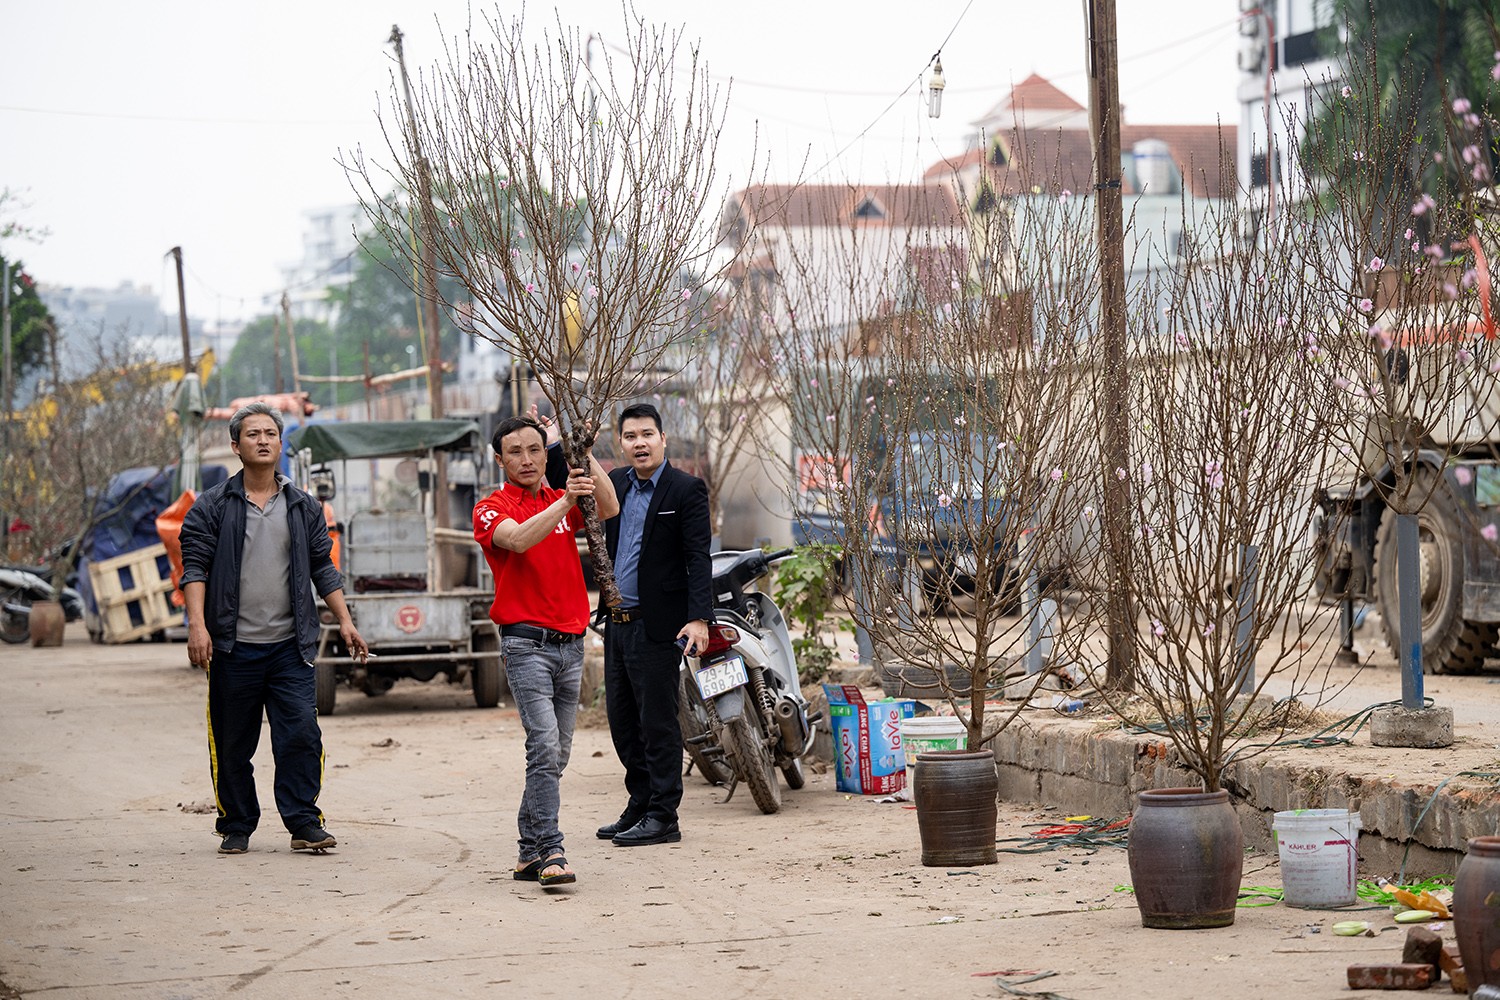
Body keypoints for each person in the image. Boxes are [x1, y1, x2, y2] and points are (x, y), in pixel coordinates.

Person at [180, 402, 368, 856]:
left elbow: (323, 567)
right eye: (252, 434)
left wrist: (344, 620)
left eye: (270, 433)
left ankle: (304, 822)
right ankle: (237, 825)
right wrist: (197, 626)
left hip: (290, 647)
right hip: (232, 647)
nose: (262, 440)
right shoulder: (212, 506)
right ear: (235, 446)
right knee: (232, 742)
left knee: (301, 732)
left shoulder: (303, 506)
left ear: (281, 444)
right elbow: (195, 569)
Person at [474, 414, 619, 887]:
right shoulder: (491, 507)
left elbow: (610, 505)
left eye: (536, 449)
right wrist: (564, 501)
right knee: (543, 746)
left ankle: (525, 851)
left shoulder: (559, 497)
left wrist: (579, 452)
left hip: (571, 646)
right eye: (515, 452)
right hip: (525, 645)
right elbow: (517, 539)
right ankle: (552, 850)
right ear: (500, 459)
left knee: (555, 756)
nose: (527, 459)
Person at [597, 402, 713, 848]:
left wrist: (700, 617)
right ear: (620, 443)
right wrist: (552, 439)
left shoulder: (685, 490)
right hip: (618, 624)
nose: (639, 443)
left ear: (663, 439)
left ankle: (664, 815)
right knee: (623, 722)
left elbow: (697, 557)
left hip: (657, 624)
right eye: (630, 437)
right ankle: (640, 803)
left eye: (647, 434)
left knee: (657, 722)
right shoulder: (617, 485)